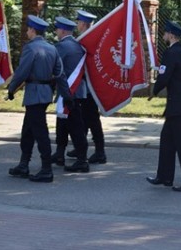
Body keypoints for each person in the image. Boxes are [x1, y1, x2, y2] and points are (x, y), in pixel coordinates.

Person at [6, 15, 64, 183]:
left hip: (34, 94)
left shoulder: (30, 48)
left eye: (28, 29)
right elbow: (59, 73)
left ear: (32, 30)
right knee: (28, 129)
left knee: (40, 132)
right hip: (45, 93)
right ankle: (23, 164)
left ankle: (46, 169)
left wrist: (11, 89)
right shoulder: (52, 48)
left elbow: (22, 72)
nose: (27, 32)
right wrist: (64, 93)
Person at [147, 21, 181, 192]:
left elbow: (164, 76)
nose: (163, 35)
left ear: (171, 35)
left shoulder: (171, 53)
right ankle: (164, 176)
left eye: (165, 33)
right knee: (167, 142)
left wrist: (154, 91)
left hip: (178, 106)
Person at [51, 16, 91, 173]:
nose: (56, 32)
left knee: (75, 127)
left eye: (57, 29)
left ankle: (82, 160)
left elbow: (54, 67)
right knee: (62, 124)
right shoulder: (77, 45)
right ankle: (59, 154)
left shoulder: (62, 47)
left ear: (62, 31)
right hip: (75, 91)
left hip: (68, 92)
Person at [69, 10, 108, 164]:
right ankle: (80, 147)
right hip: (85, 85)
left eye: (78, 22)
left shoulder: (88, 41)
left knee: (92, 119)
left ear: (83, 24)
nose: (77, 24)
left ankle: (100, 151)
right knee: (83, 118)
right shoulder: (87, 39)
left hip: (89, 86)